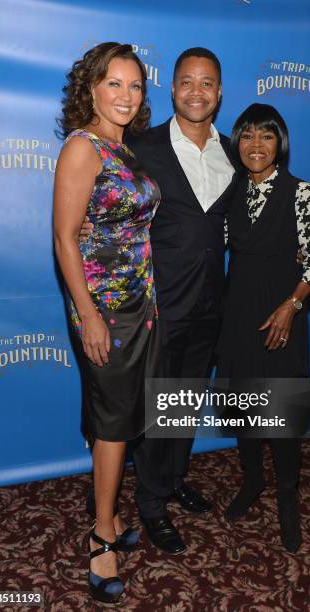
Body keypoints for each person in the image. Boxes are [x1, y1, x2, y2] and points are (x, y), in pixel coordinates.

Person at [82, 48, 239, 554]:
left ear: (219, 92)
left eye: (207, 83)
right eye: (186, 82)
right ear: (172, 91)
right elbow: (106, 195)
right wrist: (89, 225)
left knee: (184, 405)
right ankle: (150, 505)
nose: (197, 92)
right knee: (154, 411)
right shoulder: (141, 146)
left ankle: (171, 481)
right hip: (154, 306)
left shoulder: (234, 152)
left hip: (211, 304)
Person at [53, 42, 161, 603]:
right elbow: (64, 239)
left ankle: (111, 516)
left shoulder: (126, 147)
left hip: (139, 306)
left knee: (117, 413)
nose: (125, 95)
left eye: (135, 85)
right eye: (113, 83)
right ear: (91, 89)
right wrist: (91, 316)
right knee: (116, 419)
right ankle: (101, 538)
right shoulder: (83, 147)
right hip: (103, 310)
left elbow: (134, 230)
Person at [216, 103, 310, 553]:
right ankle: (253, 482)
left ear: (280, 142)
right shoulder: (230, 191)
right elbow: (213, 243)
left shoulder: (302, 193)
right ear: (237, 143)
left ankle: (286, 497)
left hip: (282, 317)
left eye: (266, 135)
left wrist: (291, 306)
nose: (256, 144)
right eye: (247, 135)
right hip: (237, 315)